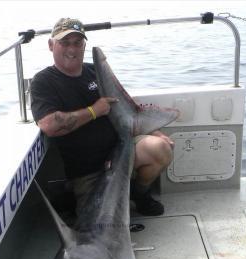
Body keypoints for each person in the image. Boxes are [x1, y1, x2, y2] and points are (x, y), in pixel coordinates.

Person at [31, 18, 174, 216]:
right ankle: (75, 196)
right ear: (51, 45)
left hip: (121, 155)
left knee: (160, 149)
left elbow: (126, 109)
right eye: (65, 43)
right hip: (86, 171)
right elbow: (49, 125)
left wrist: (155, 131)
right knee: (102, 227)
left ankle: (138, 194)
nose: (72, 49)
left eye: (77, 43)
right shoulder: (43, 81)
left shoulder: (95, 71)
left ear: (84, 45)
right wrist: (94, 111)